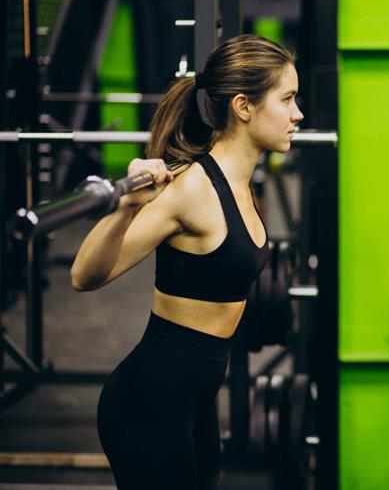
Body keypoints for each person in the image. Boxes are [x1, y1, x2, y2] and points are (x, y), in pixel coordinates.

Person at [70, 34, 303, 489]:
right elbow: (84, 276)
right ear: (243, 106)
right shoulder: (193, 191)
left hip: (195, 401)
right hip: (149, 404)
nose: (297, 114)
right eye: (288, 99)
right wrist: (126, 208)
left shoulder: (243, 187)